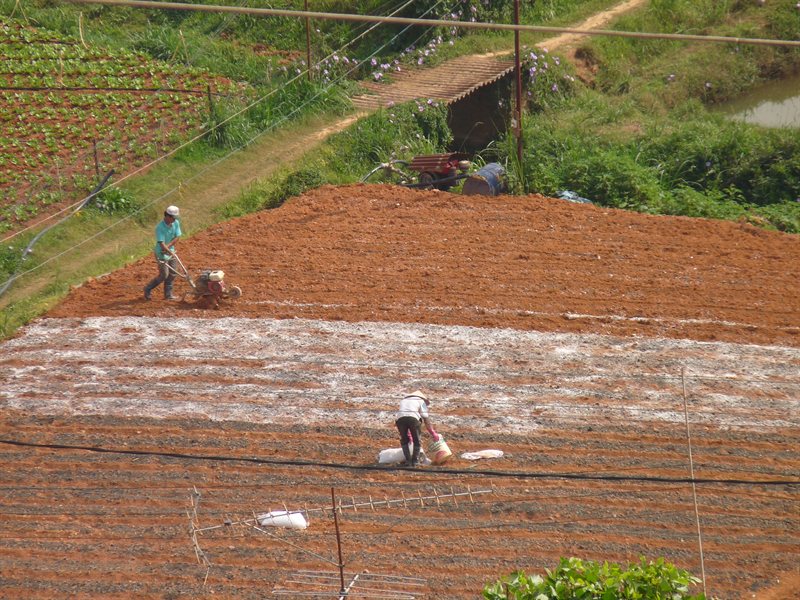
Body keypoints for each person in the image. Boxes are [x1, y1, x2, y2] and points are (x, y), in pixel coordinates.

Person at [144, 205, 182, 300]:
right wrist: (167, 250)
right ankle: (148, 288)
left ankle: (168, 295)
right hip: (161, 253)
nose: (175, 219)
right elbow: (161, 244)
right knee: (164, 275)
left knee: (173, 273)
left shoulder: (176, 223)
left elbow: (177, 236)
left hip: (170, 251)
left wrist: (169, 249)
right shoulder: (160, 227)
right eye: (174, 218)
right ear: (168, 216)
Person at [395, 390, 440, 467]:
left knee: (404, 440)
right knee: (417, 440)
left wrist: (408, 433)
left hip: (400, 420)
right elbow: (425, 418)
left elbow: (404, 415)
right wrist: (432, 432)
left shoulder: (404, 400)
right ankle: (415, 461)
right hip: (413, 419)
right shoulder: (420, 400)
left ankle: (408, 461)